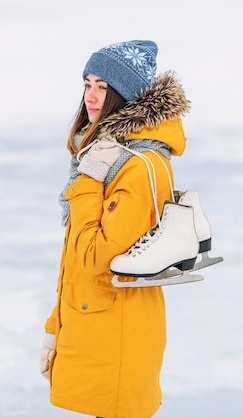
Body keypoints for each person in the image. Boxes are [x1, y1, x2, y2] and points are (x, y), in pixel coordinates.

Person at [39, 40, 191, 418]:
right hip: (98, 325)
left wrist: (87, 182)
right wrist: (55, 326)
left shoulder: (137, 166)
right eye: (87, 84)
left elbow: (95, 257)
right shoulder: (111, 155)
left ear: (125, 94)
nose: (91, 97)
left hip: (117, 332)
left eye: (103, 87)